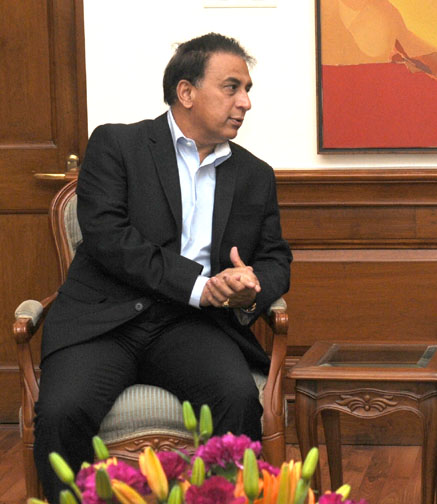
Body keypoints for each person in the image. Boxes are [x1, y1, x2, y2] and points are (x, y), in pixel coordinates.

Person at [33, 33, 292, 501]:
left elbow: (276, 258)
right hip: (103, 321)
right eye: (231, 87)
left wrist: (248, 286)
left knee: (236, 399)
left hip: (189, 326)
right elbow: (111, 240)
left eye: (247, 89)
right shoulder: (117, 145)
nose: (246, 102)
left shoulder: (254, 175)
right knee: (61, 412)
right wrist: (200, 284)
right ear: (186, 92)